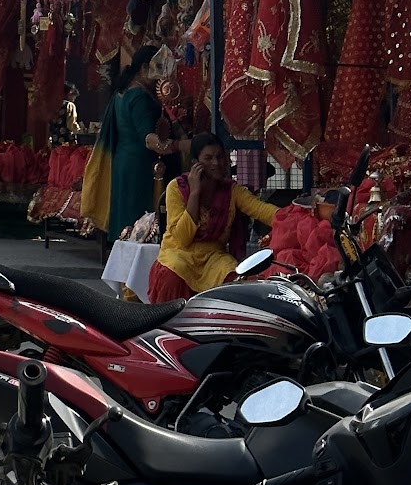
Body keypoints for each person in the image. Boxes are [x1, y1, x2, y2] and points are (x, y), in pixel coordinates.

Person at [148, 132, 280, 302]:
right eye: (208, 158)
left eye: (219, 157)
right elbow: (182, 238)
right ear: (196, 163)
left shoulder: (232, 191)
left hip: (213, 257)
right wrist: (195, 193)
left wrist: (294, 216)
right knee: (172, 272)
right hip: (179, 252)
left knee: (234, 276)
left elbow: (263, 210)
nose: (216, 163)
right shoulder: (177, 188)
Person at [83, 44, 180, 242]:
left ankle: (124, 263)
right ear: (144, 68)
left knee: (126, 217)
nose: (161, 76)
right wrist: (183, 145)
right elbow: (150, 140)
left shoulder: (123, 93)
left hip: (124, 163)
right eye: (158, 68)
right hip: (140, 167)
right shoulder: (139, 97)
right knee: (140, 220)